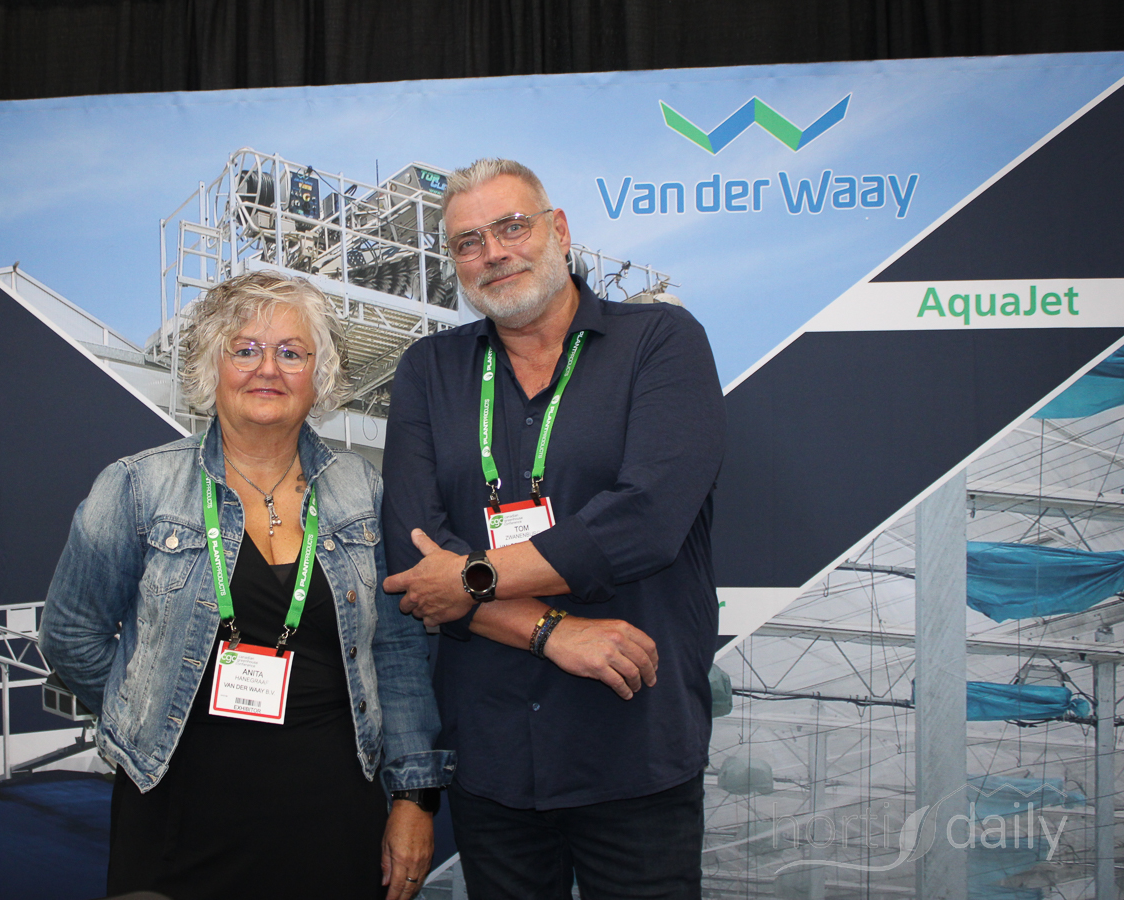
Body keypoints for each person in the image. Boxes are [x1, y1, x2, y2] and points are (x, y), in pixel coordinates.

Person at [40, 271, 454, 900]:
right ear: (212, 365)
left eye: (291, 352)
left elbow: (396, 653)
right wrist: (146, 708)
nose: (268, 369)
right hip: (175, 814)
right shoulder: (137, 487)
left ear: (319, 374)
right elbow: (71, 635)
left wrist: (414, 797)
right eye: (246, 350)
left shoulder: (362, 491)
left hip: (336, 817)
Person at [382, 159, 725, 899]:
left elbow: (646, 520)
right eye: (469, 242)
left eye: (512, 227)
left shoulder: (659, 341)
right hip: (493, 760)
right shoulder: (429, 371)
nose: (494, 253)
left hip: (633, 745)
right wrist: (553, 632)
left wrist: (475, 577)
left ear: (559, 231)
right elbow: (415, 557)